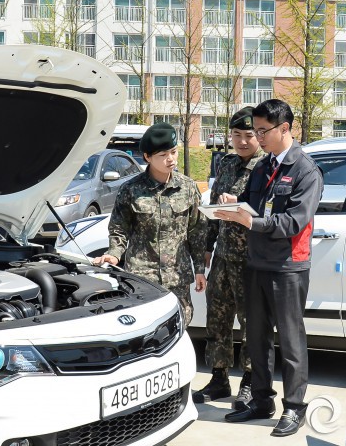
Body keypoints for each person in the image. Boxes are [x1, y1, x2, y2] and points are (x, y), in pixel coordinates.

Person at [216, 99, 323, 437]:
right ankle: (262, 400)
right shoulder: (264, 167)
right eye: (256, 131)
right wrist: (235, 205)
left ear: (285, 128)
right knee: (257, 338)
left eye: (263, 131)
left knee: (291, 341)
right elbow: (255, 205)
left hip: (288, 266)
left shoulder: (305, 170)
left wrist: (251, 221)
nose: (258, 138)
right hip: (256, 262)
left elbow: (293, 221)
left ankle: (295, 406)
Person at [94, 122, 207, 327]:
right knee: (143, 328)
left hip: (177, 277)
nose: (170, 159)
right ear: (147, 157)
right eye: (163, 155)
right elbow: (119, 228)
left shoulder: (188, 188)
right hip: (142, 277)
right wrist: (114, 253)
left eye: (173, 152)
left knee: (180, 324)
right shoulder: (131, 189)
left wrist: (199, 269)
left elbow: (197, 231)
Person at [192, 107, 265, 409]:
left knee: (251, 323)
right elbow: (212, 209)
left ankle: (250, 381)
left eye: (249, 135)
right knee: (217, 318)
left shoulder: (266, 167)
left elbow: (268, 210)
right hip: (223, 256)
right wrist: (207, 247)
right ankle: (219, 377)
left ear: (259, 135)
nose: (243, 142)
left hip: (252, 258)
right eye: (237, 135)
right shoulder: (226, 164)